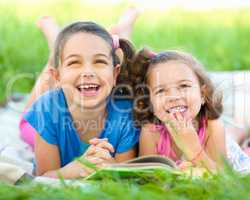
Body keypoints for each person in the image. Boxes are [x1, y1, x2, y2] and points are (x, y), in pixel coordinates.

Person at [22, 21, 139, 179]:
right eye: (74, 62)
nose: (88, 72)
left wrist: (110, 167)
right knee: (26, 124)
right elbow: (43, 178)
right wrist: (73, 170)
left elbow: (126, 177)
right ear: (57, 76)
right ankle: (53, 42)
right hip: (39, 123)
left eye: (99, 61)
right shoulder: (46, 109)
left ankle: (123, 30)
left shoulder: (126, 116)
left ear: (115, 74)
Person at [130, 49, 226, 171]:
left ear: (203, 94)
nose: (173, 97)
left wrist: (194, 150)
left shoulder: (213, 127)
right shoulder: (151, 132)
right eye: (161, 91)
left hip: (231, 151)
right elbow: (145, 178)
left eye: (184, 86)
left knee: (236, 135)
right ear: (150, 102)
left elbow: (224, 179)